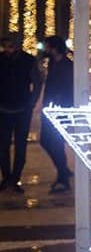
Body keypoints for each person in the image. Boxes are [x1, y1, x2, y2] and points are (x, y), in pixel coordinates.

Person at [0, 36, 43, 194]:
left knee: (20, 147)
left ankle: (14, 179)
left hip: (21, 108)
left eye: (10, 46)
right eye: (5, 46)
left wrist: (31, 103)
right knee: (3, 147)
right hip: (4, 108)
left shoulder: (28, 60)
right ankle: (6, 178)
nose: (7, 49)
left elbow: (37, 82)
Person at [40, 36, 74, 192]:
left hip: (61, 111)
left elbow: (66, 89)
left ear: (53, 48)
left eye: (47, 46)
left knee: (56, 143)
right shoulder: (53, 64)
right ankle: (63, 170)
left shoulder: (67, 65)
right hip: (50, 109)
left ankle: (63, 178)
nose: (45, 49)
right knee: (45, 141)